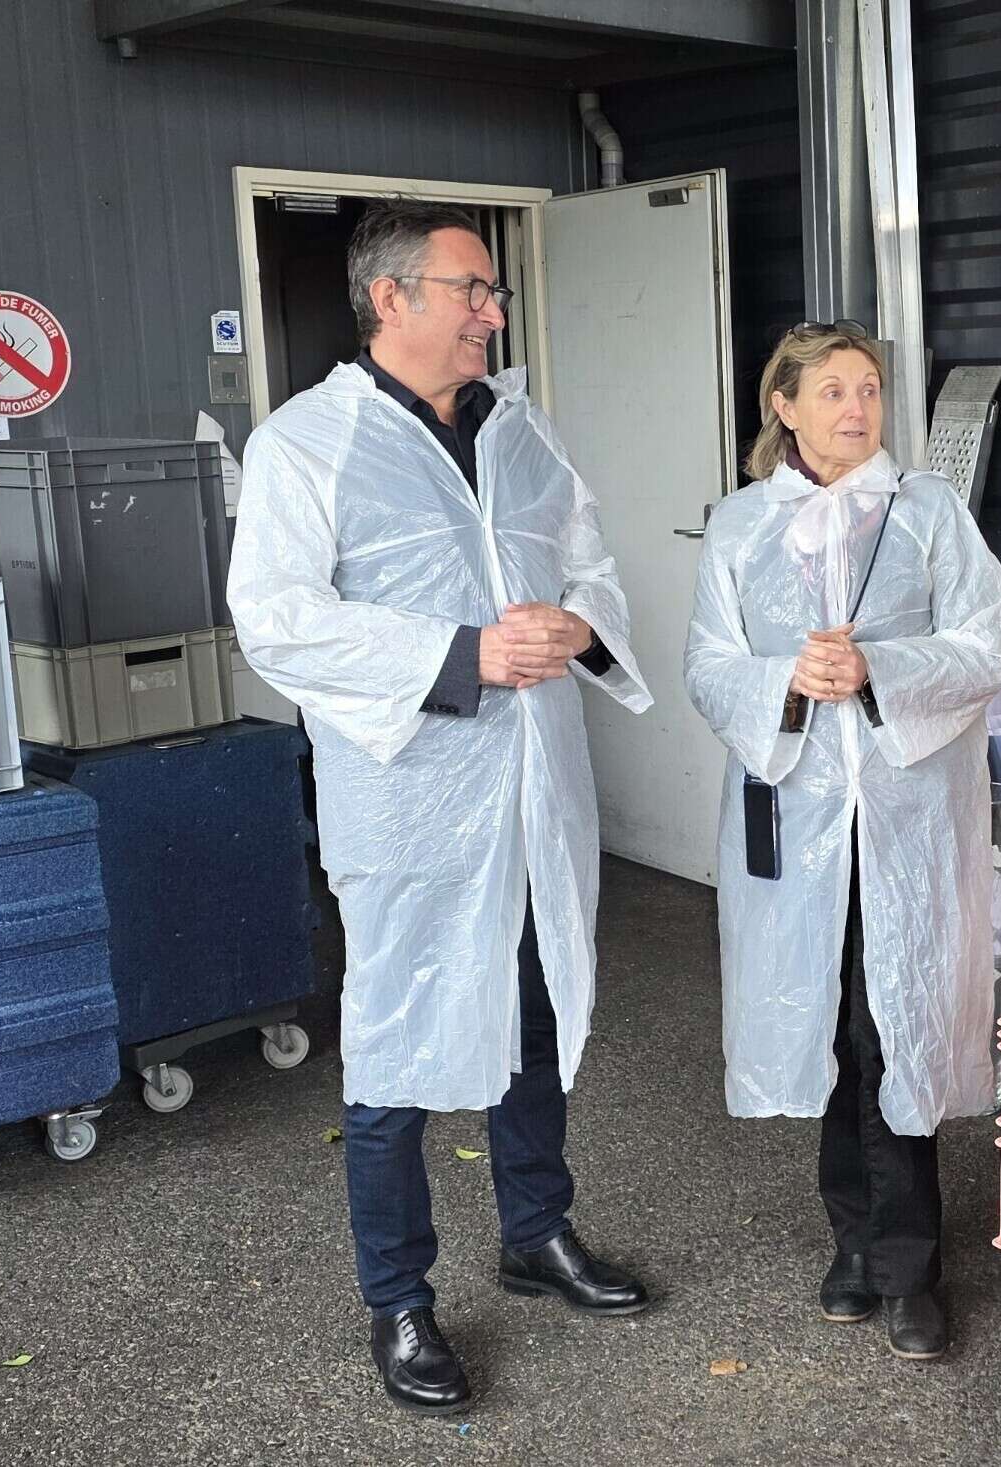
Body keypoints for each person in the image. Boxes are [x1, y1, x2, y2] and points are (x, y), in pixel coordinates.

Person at [227, 200, 656, 1418]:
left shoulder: (521, 429)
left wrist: (579, 626)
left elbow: (591, 565)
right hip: (410, 797)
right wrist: (462, 654)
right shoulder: (307, 443)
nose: (492, 313)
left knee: (534, 1007)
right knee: (397, 1043)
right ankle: (399, 1299)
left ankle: (536, 1233)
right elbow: (278, 619)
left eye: (492, 292)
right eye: (472, 289)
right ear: (391, 297)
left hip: (532, 787)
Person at [684, 322, 1001, 1362]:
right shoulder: (739, 526)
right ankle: (853, 1245)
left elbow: (987, 641)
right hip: (798, 818)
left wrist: (880, 671)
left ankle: (911, 1267)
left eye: (867, 387)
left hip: (906, 820)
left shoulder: (928, 511)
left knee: (893, 1024)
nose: (856, 408)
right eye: (830, 390)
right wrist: (784, 678)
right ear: (782, 406)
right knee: (826, 1026)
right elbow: (708, 665)